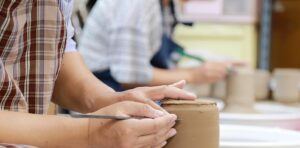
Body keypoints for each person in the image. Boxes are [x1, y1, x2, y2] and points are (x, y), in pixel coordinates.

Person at [0, 0, 196, 148]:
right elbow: (130, 72)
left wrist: (114, 101)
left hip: (25, 133)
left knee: (143, 146)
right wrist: (93, 131)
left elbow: (56, 55)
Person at [78, 0, 231, 92]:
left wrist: (216, 62)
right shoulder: (136, 4)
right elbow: (130, 77)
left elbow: (163, 54)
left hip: (126, 93)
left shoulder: (166, 5)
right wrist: (194, 75)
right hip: (100, 101)